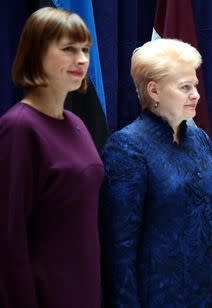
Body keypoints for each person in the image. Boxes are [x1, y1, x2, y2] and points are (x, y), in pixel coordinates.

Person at [99, 38, 212, 307]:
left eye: (196, 86)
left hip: (208, 293)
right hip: (158, 296)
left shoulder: (199, 138)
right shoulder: (127, 147)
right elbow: (119, 248)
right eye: (184, 87)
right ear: (154, 90)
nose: (196, 94)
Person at [0, 7, 104, 308]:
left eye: (85, 49)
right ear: (36, 53)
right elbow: (9, 238)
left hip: (83, 288)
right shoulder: (18, 128)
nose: (82, 59)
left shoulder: (76, 123)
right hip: (43, 293)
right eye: (69, 49)